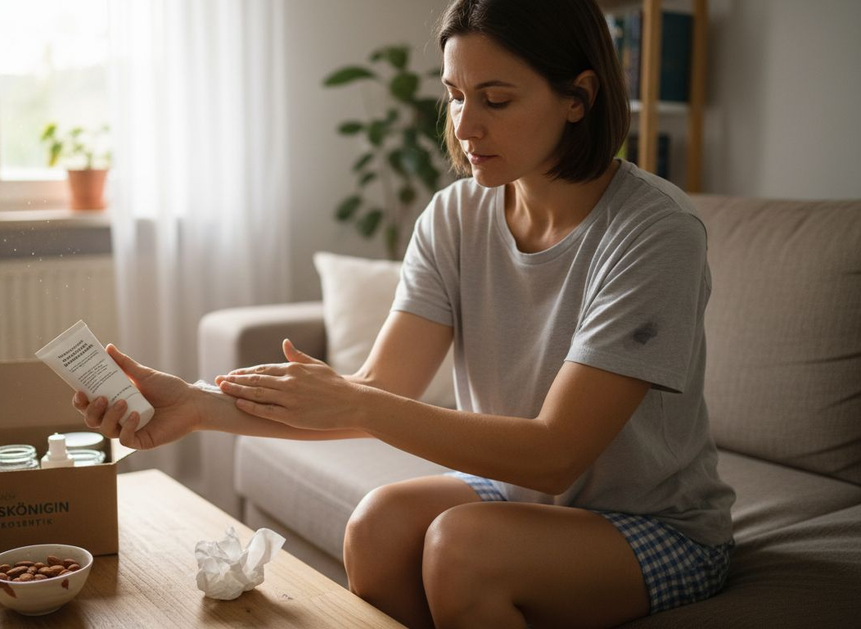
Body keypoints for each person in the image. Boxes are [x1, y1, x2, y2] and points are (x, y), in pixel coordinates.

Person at [73, 0, 736, 626]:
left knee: (462, 546)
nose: (464, 125)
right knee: (377, 524)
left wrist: (359, 404)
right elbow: (380, 390)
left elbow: (557, 452)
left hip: (656, 522)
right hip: (524, 497)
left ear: (578, 98)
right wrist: (195, 407)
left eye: (496, 99)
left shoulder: (654, 231)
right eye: (454, 95)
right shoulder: (455, 217)